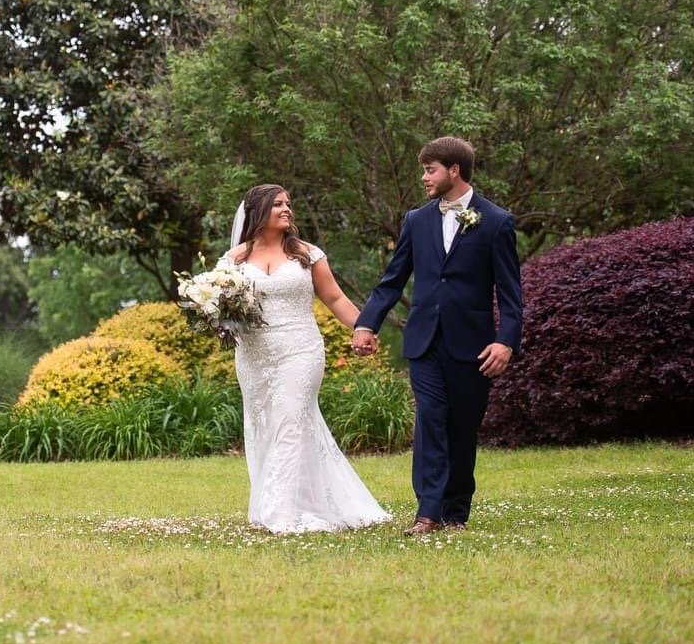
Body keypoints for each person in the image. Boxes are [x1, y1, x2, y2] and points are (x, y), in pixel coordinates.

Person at [352, 137, 523, 536]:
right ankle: (426, 513)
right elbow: (392, 280)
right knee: (430, 421)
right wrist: (366, 323)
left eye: (430, 170)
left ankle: (455, 514)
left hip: (473, 346)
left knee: (462, 429)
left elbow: (511, 294)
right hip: (424, 342)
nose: (424, 178)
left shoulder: (497, 221)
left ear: (454, 170)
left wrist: (506, 341)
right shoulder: (417, 220)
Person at [224, 183, 390, 533]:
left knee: (290, 420)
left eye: (288, 204)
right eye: (277, 205)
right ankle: (292, 501)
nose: (286, 209)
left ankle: (281, 513)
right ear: (257, 212)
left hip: (300, 350)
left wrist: (364, 328)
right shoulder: (235, 259)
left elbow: (335, 299)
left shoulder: (307, 254)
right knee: (263, 425)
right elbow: (224, 309)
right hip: (253, 355)